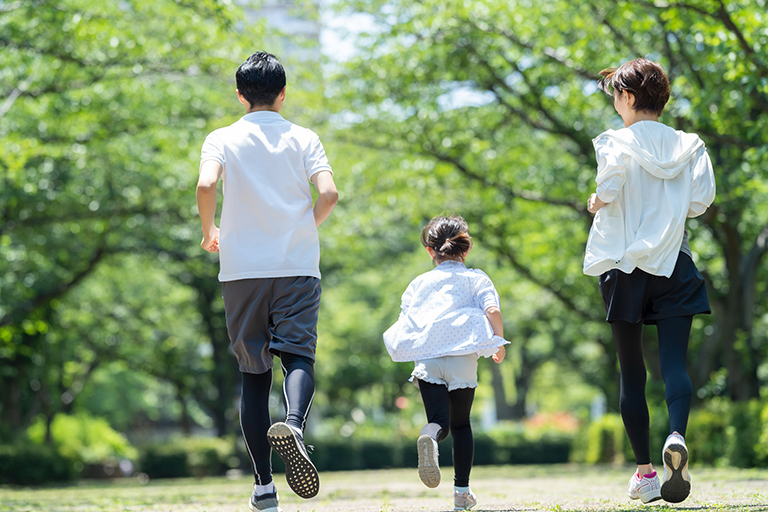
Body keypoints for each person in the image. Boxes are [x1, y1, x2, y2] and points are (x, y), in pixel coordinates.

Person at [196, 51, 338, 512]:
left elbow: (205, 186)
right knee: (298, 355)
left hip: (241, 269)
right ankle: (294, 423)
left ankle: (262, 486)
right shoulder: (304, 137)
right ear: (282, 94)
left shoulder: (221, 137)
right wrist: (304, 227)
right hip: (296, 264)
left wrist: (209, 231)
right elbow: (330, 193)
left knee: (252, 375)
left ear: (240, 95)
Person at [583, 58, 716, 504]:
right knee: (675, 363)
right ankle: (676, 433)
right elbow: (699, 201)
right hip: (674, 262)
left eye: (614, 95)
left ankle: (645, 473)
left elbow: (613, 183)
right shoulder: (691, 145)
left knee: (632, 372)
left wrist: (596, 201)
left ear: (628, 96)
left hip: (624, 266)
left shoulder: (613, 141)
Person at [383, 215, 508, 511]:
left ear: (430, 250)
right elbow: (492, 310)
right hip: (462, 358)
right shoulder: (476, 278)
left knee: (440, 422)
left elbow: (405, 320)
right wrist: (499, 341)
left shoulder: (418, 283)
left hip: (428, 359)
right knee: (462, 425)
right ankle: (461, 494)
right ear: (465, 249)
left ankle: (429, 436)